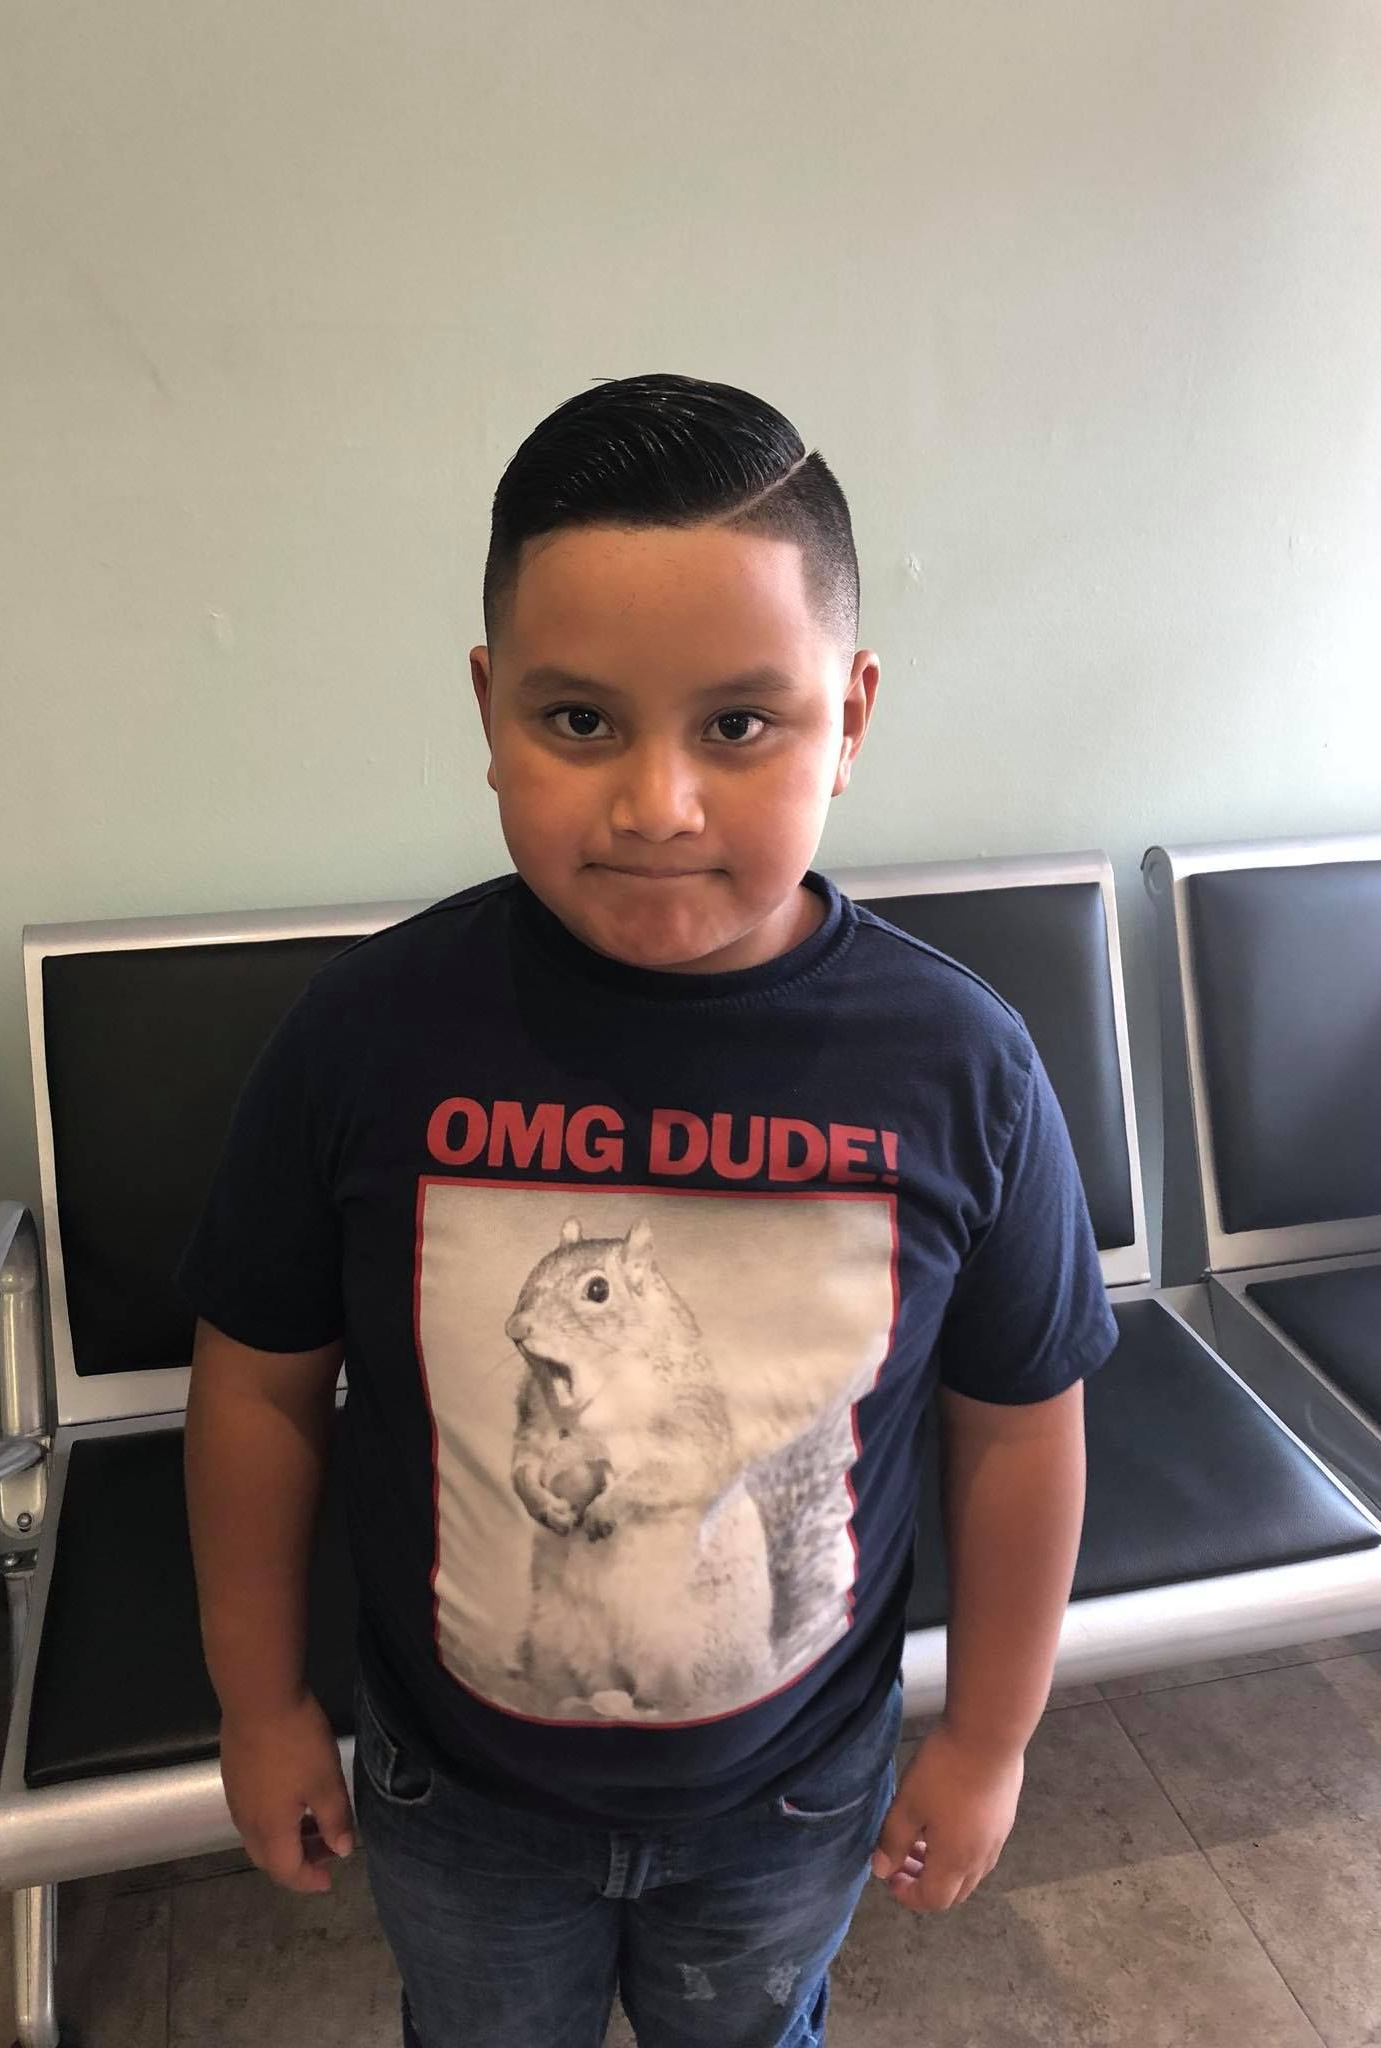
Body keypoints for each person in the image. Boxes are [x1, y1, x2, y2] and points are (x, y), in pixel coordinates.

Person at [177, 371, 1119, 2048]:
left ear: (851, 717)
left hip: (791, 1795)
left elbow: (1017, 1425)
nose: (657, 804)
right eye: (581, 721)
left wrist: (991, 1737)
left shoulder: (961, 1064)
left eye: (741, 726)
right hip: (460, 1795)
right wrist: (260, 1708)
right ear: (490, 708)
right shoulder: (365, 1037)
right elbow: (257, 1385)